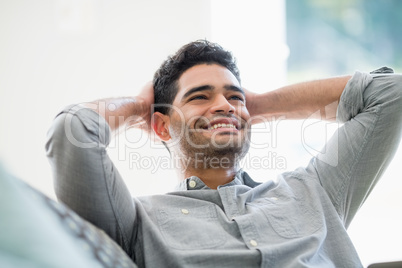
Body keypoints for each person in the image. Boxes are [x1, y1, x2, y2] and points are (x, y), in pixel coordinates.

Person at [46, 40, 402, 267]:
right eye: (200, 96)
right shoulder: (136, 222)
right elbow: (72, 132)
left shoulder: (313, 190)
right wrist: (141, 105)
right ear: (162, 126)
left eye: (234, 96)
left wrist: (257, 106)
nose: (225, 106)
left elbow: (390, 94)